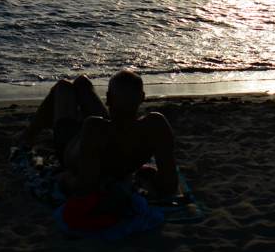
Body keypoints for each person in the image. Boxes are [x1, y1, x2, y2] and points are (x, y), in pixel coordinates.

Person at [18, 71, 177, 197]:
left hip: (70, 145)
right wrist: (149, 175)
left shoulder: (95, 128)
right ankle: (29, 135)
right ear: (142, 98)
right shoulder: (156, 124)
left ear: (108, 99)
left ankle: (27, 137)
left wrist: (65, 178)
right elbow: (169, 186)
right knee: (82, 82)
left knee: (63, 86)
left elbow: (85, 188)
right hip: (113, 133)